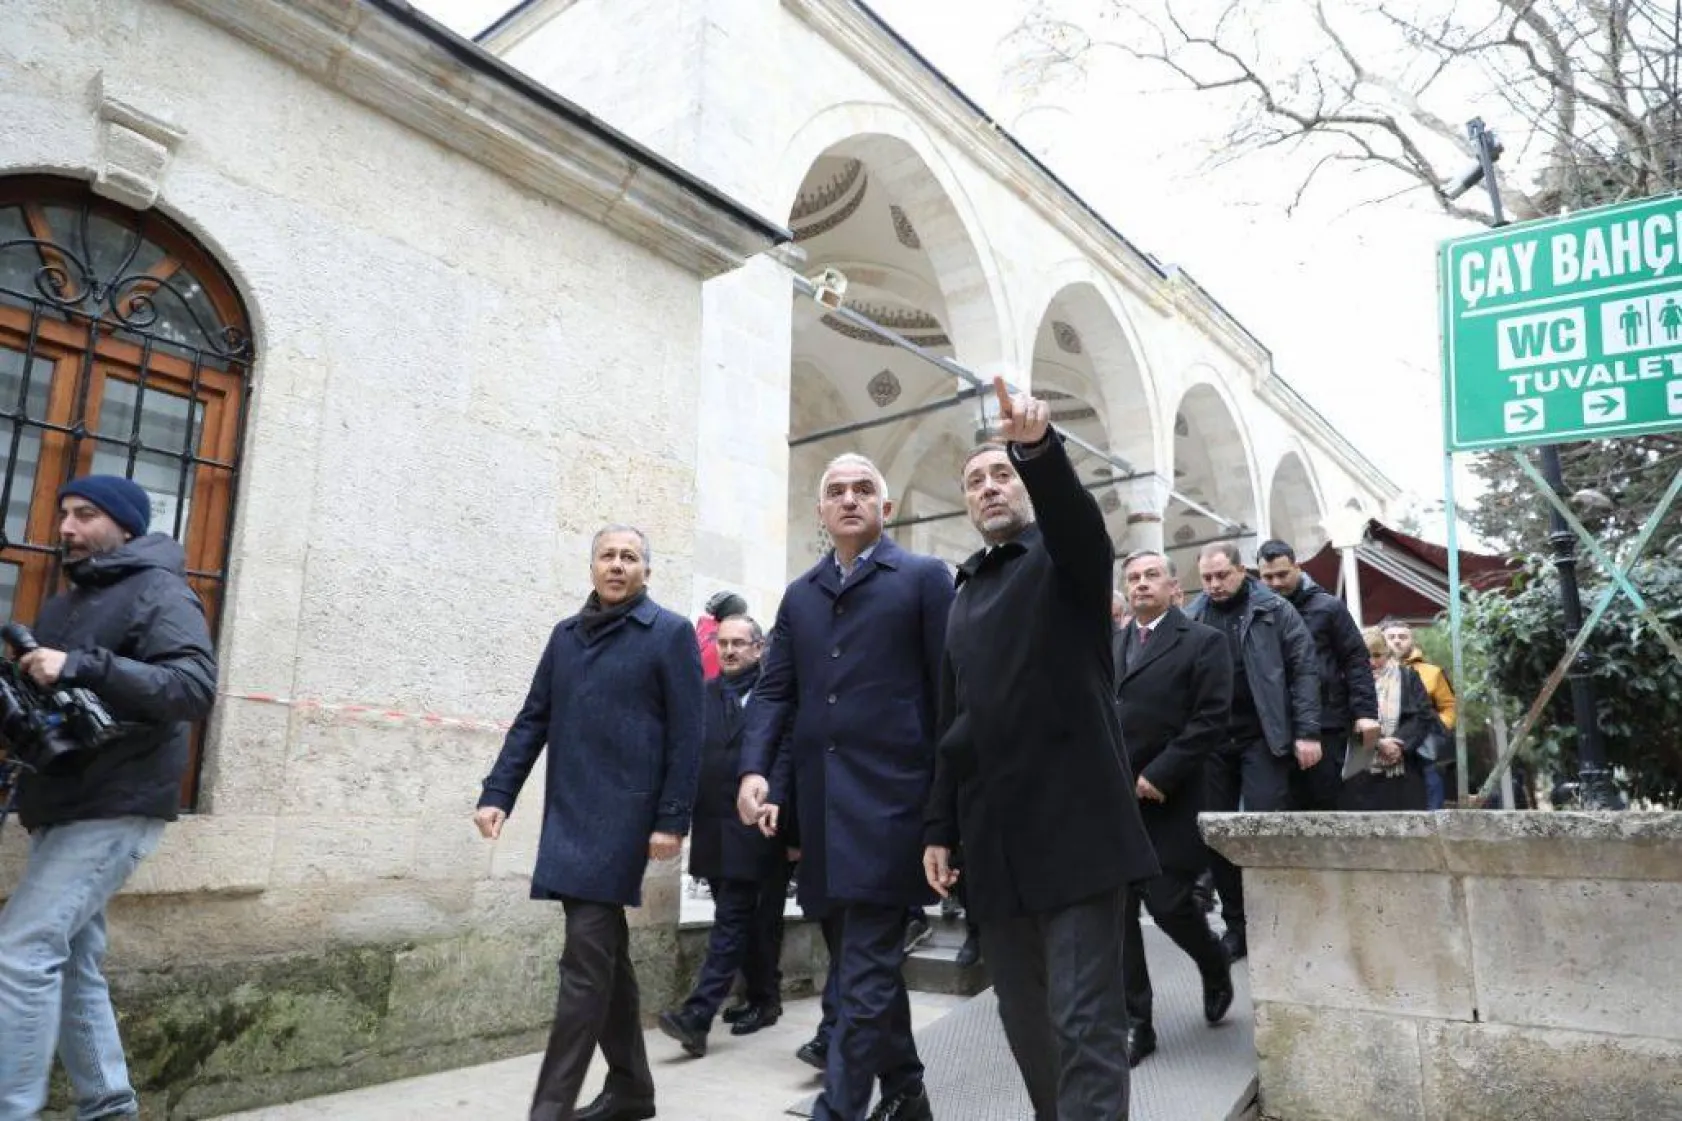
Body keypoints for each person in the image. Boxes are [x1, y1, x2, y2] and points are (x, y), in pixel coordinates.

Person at [925, 378, 1158, 1121]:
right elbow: (949, 716)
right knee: (1026, 1026)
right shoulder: (962, 594)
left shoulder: (1063, 564)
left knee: (1086, 1021)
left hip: (1079, 831)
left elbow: (1081, 527)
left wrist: (1038, 451)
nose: (989, 487)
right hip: (994, 842)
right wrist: (939, 828)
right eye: (975, 480)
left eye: (1000, 474)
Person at [737, 453, 953, 1121]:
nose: (851, 498)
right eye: (837, 490)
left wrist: (944, 816)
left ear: (885, 508)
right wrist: (754, 771)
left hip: (893, 806)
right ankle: (908, 1092)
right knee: (864, 966)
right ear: (821, 511)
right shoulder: (800, 594)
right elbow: (776, 692)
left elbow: (950, 697)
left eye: (865, 489)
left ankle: (840, 1107)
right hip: (819, 810)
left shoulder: (923, 578)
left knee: (860, 968)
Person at [0, 475, 218, 1121]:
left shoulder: (160, 589)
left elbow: (192, 687)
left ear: (125, 525)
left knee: (21, 952)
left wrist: (82, 665)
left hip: (118, 799)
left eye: (85, 514)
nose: (67, 526)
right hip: (61, 800)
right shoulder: (66, 602)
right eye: (64, 512)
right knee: (67, 959)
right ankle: (108, 1106)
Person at [475, 525, 704, 1121]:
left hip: (625, 825)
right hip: (570, 817)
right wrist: (498, 792)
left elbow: (688, 738)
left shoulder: (670, 634)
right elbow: (533, 720)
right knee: (604, 962)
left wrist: (671, 819)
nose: (618, 565)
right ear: (593, 568)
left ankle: (547, 1110)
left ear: (646, 572)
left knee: (583, 965)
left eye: (631, 557)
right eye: (608, 555)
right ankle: (633, 1090)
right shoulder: (565, 638)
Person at [1112, 549, 1235, 1069]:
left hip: (1172, 795)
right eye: (1133, 578)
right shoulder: (1110, 644)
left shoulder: (1204, 642)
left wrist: (1160, 774)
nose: (1141, 584)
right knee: (1116, 916)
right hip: (1113, 802)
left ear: (1173, 587)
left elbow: (1210, 718)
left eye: (1150, 576)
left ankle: (1211, 960)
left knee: (1167, 904)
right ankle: (1137, 1023)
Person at [659, 614, 791, 1055]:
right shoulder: (703, 696)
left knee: (736, 921)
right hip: (713, 828)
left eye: (740, 643)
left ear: (758, 649)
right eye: (723, 642)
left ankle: (698, 1015)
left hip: (758, 827)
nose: (730, 650)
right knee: (744, 922)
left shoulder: (775, 697)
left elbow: (785, 757)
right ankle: (764, 999)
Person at [1185, 542, 1320, 961]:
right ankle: (1238, 927)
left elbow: (1303, 670)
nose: (1214, 585)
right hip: (1211, 742)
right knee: (1217, 835)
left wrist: (1308, 731)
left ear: (1242, 571)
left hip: (1264, 735)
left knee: (1264, 827)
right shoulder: (1191, 615)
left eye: (1221, 575)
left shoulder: (1274, 610)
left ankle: (1280, 921)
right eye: (1206, 578)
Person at [1256, 539, 1380, 807]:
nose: (1276, 583)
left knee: (1326, 800)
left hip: (1327, 722)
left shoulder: (1329, 607)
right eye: (1268, 577)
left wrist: (1366, 713)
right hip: (1275, 724)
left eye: (1282, 574)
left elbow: (1356, 660)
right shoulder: (1257, 612)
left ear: (1297, 568)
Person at [1340, 629, 1434, 811]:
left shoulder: (1408, 677)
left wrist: (1399, 746)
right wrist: (1378, 742)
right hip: (1359, 768)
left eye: (1377, 656)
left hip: (1402, 766)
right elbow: (1343, 716)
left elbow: (1422, 714)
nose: (1372, 662)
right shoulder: (1345, 679)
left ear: (1387, 653)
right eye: (1366, 656)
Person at [1381, 619, 1457, 808]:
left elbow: (1449, 705)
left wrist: (1440, 724)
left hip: (1425, 742)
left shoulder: (1432, 672)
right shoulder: (1372, 670)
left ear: (1412, 641)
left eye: (1403, 637)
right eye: (1391, 637)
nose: (1397, 641)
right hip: (1387, 740)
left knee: (1431, 785)